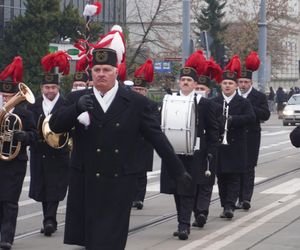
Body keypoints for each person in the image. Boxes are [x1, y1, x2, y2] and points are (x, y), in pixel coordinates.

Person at [49, 46, 191, 250]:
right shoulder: (77, 99)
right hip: (86, 179)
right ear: (91, 72)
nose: (101, 75)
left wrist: (178, 171)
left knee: (111, 240)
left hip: (119, 181)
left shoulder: (135, 102)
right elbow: (55, 126)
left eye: (106, 70)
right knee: (90, 239)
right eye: (97, 70)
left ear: (117, 71)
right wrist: (76, 109)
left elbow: (157, 137)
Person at [160, 50, 219, 240]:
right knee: (177, 190)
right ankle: (182, 221)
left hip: (195, 154)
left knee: (187, 189)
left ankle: (184, 225)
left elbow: (213, 131)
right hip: (174, 153)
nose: (185, 82)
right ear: (179, 82)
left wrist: (211, 152)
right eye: (183, 79)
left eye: (189, 80)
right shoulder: (170, 100)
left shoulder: (204, 104)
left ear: (195, 84)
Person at [28, 51, 70, 237]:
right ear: (41, 88)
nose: (50, 91)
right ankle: (48, 218)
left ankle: (50, 220)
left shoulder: (66, 104)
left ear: (58, 88)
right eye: (47, 87)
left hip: (59, 154)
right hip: (39, 153)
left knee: (55, 186)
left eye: (53, 87)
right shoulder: (33, 105)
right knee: (43, 187)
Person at [211, 55, 255, 219]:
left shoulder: (243, 103)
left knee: (235, 176)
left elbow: (250, 118)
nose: (227, 85)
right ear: (221, 85)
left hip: (236, 144)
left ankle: (230, 205)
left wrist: (232, 120)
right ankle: (224, 205)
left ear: (236, 85)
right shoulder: (214, 101)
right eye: (225, 83)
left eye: (230, 83)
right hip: (220, 145)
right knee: (221, 177)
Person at [0, 56, 37, 250]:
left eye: (9, 96)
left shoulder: (25, 114)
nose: (6, 99)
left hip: (14, 162)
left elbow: (35, 136)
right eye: (3, 95)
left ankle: (7, 238)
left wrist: (24, 136)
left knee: (10, 201)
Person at [236, 51, 270, 210]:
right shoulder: (233, 95)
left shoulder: (259, 96)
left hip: (251, 137)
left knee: (248, 167)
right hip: (235, 136)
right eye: (241, 82)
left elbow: (266, 114)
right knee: (236, 168)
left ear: (251, 83)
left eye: (246, 82)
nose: (243, 85)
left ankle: (246, 198)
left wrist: (249, 106)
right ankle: (237, 198)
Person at [130, 59, 160, 210]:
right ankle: (130, 197)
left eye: (141, 90)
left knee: (141, 173)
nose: (138, 92)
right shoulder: (126, 103)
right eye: (136, 89)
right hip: (129, 143)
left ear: (146, 91)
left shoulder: (152, 105)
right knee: (130, 172)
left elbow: (154, 122)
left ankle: (139, 198)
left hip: (144, 143)